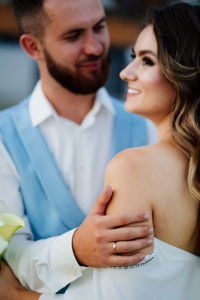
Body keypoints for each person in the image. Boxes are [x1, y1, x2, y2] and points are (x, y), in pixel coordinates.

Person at [1, 1, 199, 300]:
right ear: (32, 47)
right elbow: (11, 251)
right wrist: (75, 249)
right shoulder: (4, 136)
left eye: (99, 27)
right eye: (73, 36)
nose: (94, 47)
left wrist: (19, 297)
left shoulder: (145, 130)